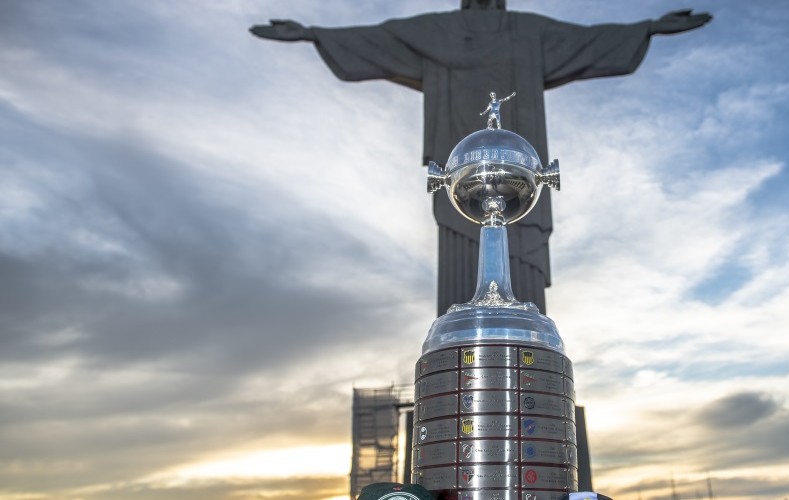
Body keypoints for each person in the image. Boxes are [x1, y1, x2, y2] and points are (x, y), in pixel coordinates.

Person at [251, 0, 711, 315]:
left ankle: (523, 352)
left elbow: (588, 41)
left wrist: (648, 29)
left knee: (520, 254)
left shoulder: (528, 30)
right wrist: (312, 35)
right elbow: (380, 41)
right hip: (458, 175)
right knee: (460, 255)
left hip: (523, 173)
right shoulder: (436, 31)